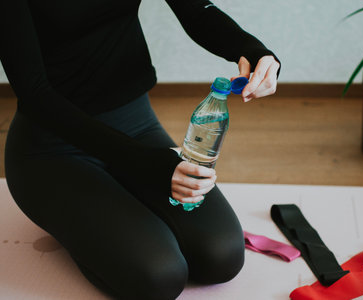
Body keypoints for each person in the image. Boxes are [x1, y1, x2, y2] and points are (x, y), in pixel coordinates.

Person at [0, 1, 280, 299]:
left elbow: (197, 11)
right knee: (161, 275)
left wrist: (255, 52)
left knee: (222, 255)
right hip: (52, 150)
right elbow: (35, 94)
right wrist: (151, 167)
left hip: (135, 126)